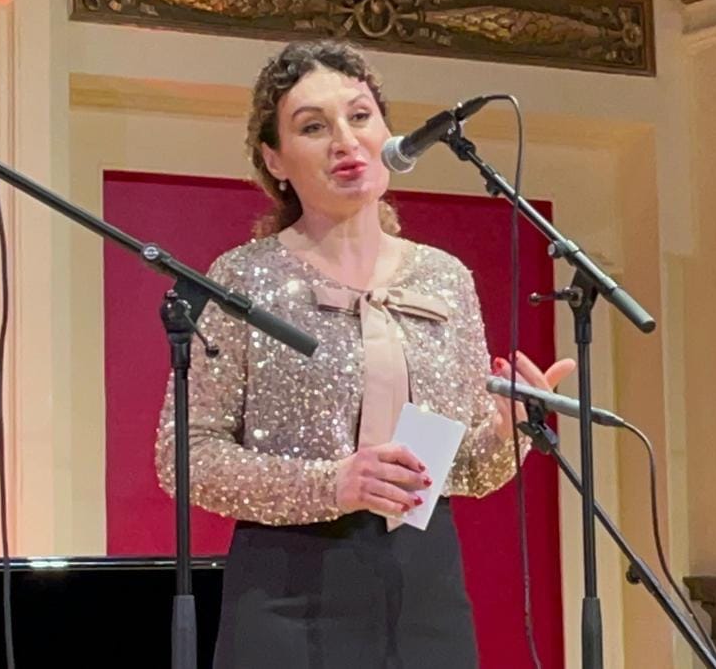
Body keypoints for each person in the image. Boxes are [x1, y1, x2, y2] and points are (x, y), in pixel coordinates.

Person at [154, 39, 577, 668]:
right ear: (274, 159)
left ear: (388, 135)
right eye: (313, 127)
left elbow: (465, 472)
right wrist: (332, 484)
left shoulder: (445, 279)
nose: (345, 141)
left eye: (360, 117)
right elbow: (185, 456)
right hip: (287, 590)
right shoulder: (243, 278)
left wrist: (509, 431)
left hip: (425, 589)